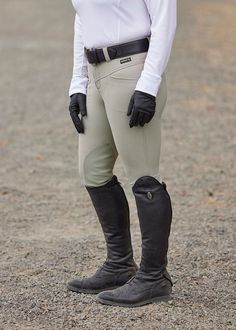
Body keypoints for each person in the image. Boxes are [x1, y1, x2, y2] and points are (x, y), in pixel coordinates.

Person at [66, 0, 177, 307]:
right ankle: (119, 264)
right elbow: (83, 17)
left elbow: (165, 18)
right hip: (96, 74)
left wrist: (150, 83)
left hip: (133, 72)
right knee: (92, 170)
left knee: (144, 176)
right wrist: (78, 81)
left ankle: (154, 277)